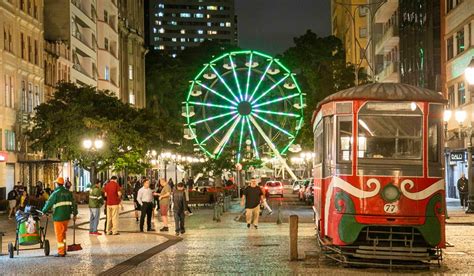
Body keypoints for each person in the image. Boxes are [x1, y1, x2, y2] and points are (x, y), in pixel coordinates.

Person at [41, 177, 78, 257]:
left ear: (57, 184)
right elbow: (74, 204)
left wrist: (43, 211)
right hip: (66, 217)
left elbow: (49, 203)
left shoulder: (55, 193)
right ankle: (64, 249)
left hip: (58, 217)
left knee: (59, 235)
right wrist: (75, 214)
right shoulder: (68, 193)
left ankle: (61, 252)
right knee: (63, 233)